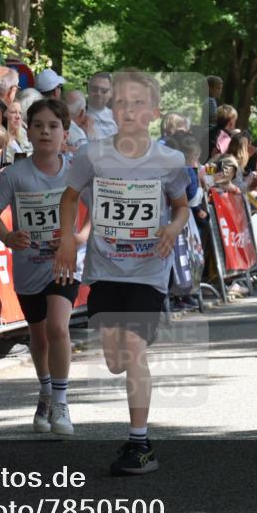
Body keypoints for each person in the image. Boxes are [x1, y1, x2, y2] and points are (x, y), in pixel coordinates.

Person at [54, 70, 191, 476]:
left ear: (152, 112)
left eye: (137, 103)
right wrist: (65, 239)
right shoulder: (91, 154)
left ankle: (140, 442)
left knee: (133, 350)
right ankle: (137, 433)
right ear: (112, 109)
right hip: (105, 268)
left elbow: (182, 205)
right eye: (121, 102)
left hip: (149, 270)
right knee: (115, 360)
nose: (128, 109)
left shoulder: (170, 160)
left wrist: (172, 227)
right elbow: (70, 195)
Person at [0, 99, 90, 437]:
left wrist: (75, 238)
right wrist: (8, 236)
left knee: (59, 327)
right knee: (39, 335)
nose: (46, 132)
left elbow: (100, 212)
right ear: (27, 130)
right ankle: (45, 391)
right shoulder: (15, 174)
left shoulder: (77, 171)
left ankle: (60, 401)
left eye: (53, 126)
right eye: (39, 125)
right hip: (28, 266)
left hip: (64, 265)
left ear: (66, 132)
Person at [85, 71, 118, 140]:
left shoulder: (116, 116)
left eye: (104, 91)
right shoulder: (79, 115)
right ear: (88, 89)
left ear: (111, 93)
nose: (98, 94)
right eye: (94, 89)